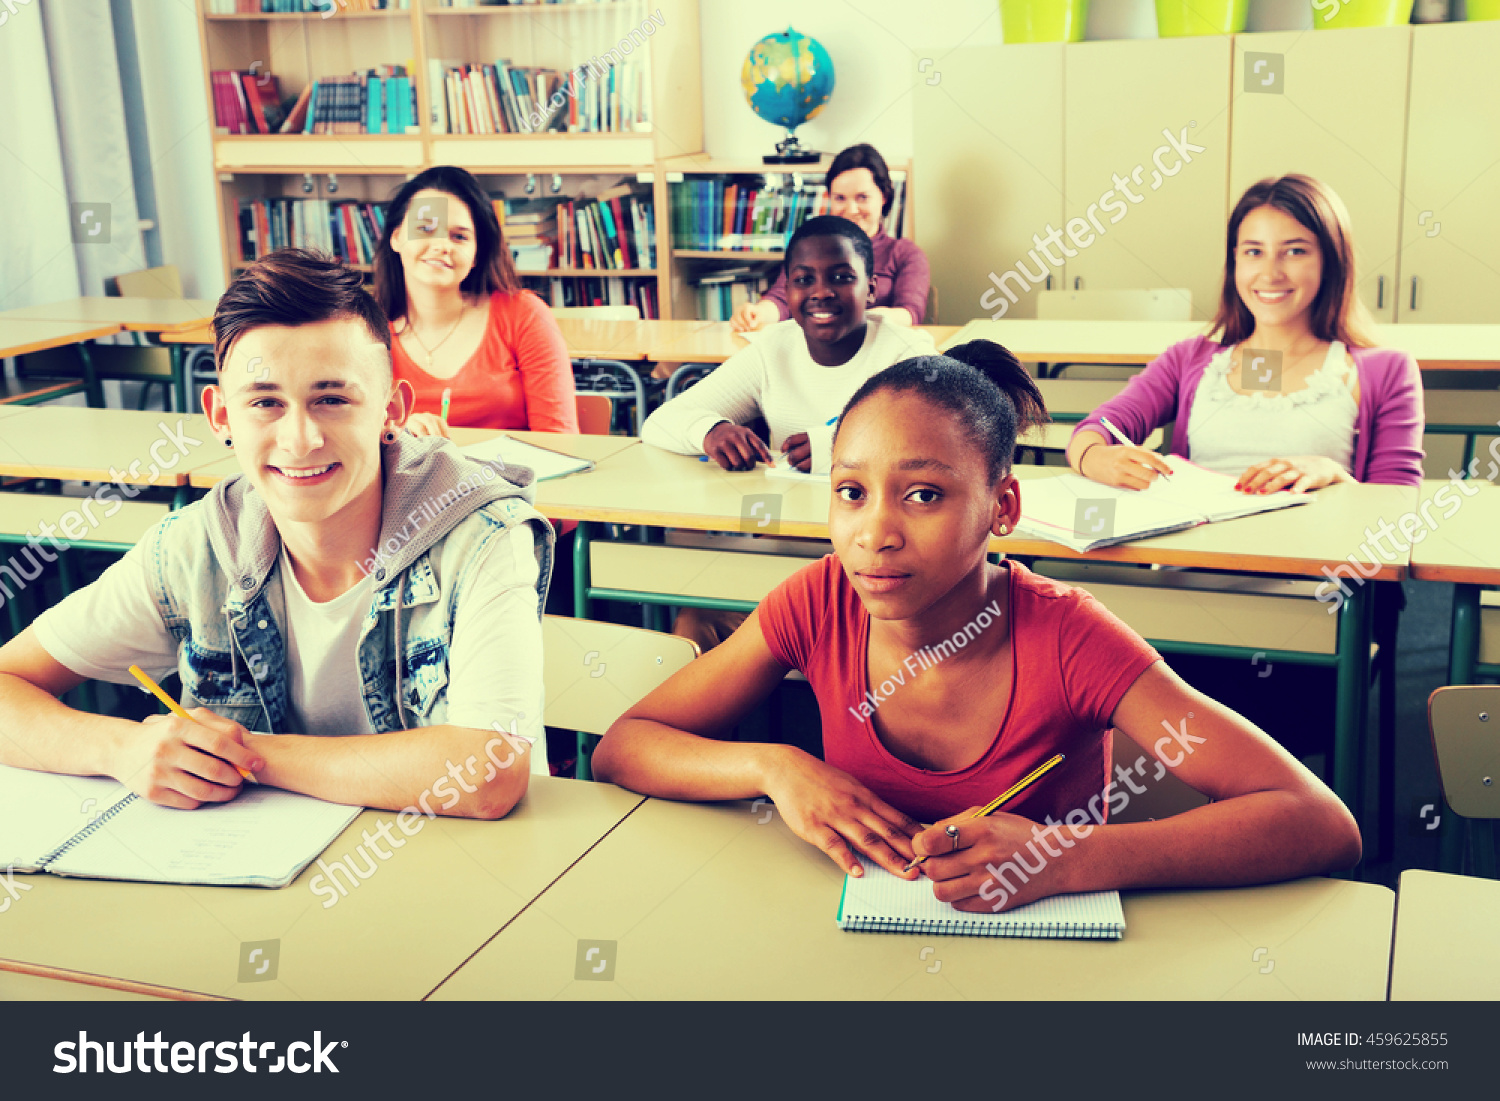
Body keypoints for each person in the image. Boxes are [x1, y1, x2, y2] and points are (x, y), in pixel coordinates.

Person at [592, 342, 1361, 910]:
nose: (875, 533)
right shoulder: (817, 601)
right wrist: (776, 768)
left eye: (923, 495)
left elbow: (1320, 823)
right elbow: (624, 747)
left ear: (1003, 509)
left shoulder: (1071, 638)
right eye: (851, 492)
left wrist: (1064, 856)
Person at [0, 249, 555, 817]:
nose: (300, 439)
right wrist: (123, 747)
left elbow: (489, 774)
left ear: (392, 408)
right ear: (221, 417)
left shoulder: (483, 535)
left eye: (332, 399)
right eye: (265, 402)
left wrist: (241, 755)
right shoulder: (196, 546)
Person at [1067, 173, 1424, 492]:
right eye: (1254, 252)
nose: (1270, 274)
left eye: (1295, 251)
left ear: (1331, 261)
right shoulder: (1188, 359)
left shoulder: (1388, 371)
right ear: (1235, 261)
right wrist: (1094, 457)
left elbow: (1397, 508)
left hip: (1313, 566)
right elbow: (1095, 429)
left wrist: (1334, 474)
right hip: (1195, 562)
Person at [644, 215, 935, 476]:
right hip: (785, 517)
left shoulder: (905, 353)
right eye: (804, 279)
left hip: (878, 526)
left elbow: (939, 430)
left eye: (841, 278)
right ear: (788, 291)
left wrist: (836, 445)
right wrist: (710, 431)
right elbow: (658, 423)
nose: (821, 292)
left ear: (871, 290)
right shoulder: (771, 349)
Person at [373, 165, 578, 438]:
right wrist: (394, 434)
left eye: (459, 236)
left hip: (510, 479)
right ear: (396, 237)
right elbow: (352, 440)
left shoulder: (524, 314)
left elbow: (559, 439)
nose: (442, 245)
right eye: (425, 229)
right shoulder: (365, 329)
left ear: (476, 254)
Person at [732, 144, 930, 333]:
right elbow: (781, 300)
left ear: (884, 197)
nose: (851, 210)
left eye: (862, 197)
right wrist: (757, 313)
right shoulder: (809, 248)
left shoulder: (906, 253)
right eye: (840, 198)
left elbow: (910, 313)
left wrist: (857, 320)